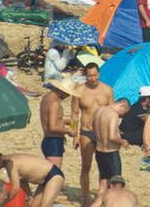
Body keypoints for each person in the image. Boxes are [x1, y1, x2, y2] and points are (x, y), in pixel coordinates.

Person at [70, 63, 114, 207]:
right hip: (86, 131)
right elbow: (74, 114)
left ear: (99, 74)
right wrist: (75, 134)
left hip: (103, 131)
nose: (93, 78)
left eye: (95, 75)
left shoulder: (107, 90)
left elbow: (112, 112)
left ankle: (101, 196)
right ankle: (86, 197)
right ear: (85, 76)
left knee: (104, 167)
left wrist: (114, 132)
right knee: (86, 166)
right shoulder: (79, 91)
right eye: (90, 76)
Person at [0, 150, 64, 207]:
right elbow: (22, 181)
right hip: (44, 180)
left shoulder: (10, 163)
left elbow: (15, 189)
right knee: (33, 205)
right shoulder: (8, 161)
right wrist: (29, 196)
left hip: (53, 176)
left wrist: (3, 203)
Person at [93, 99, 131, 198]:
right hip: (111, 153)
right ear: (122, 106)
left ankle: (98, 203)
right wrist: (123, 142)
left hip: (99, 151)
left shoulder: (99, 110)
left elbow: (96, 128)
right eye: (123, 113)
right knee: (116, 185)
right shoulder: (113, 115)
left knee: (103, 183)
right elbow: (112, 137)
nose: (122, 116)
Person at [40, 77, 78, 168]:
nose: (68, 96)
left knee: (50, 171)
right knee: (54, 173)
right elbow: (52, 127)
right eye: (68, 94)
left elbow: (51, 119)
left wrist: (66, 121)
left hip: (49, 140)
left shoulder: (47, 97)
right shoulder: (55, 103)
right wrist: (68, 131)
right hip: (54, 141)